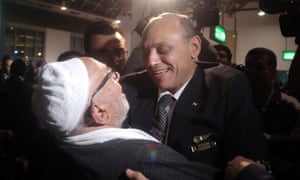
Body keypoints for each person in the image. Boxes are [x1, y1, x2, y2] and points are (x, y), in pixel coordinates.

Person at [121, 12, 270, 179]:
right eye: (145, 51)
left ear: (194, 48)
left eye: (163, 49)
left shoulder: (227, 87)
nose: (151, 61)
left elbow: (247, 160)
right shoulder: (128, 88)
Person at [29, 57, 221, 180]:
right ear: (99, 112)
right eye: (109, 77)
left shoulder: (55, 148)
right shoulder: (144, 159)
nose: (118, 77)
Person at [244, 47, 300, 179]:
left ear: (274, 73)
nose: (253, 72)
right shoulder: (238, 102)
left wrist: (269, 138)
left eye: (260, 67)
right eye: (249, 67)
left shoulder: (292, 106)